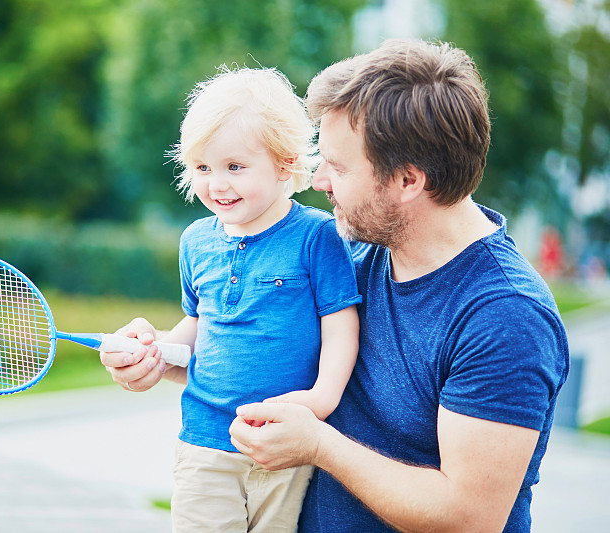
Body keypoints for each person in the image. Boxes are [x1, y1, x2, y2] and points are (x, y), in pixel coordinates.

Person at [105, 39, 570, 532]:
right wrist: (158, 358)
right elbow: (253, 359)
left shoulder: (505, 317)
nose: (318, 179)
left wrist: (321, 446)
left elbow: (468, 518)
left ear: (408, 181)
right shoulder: (352, 251)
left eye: (338, 166)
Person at [103, 66, 361, 532]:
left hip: (285, 439)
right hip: (204, 439)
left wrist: (321, 400)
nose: (216, 184)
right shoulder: (196, 241)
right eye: (202, 167)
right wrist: (155, 352)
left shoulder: (315, 238)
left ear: (284, 164)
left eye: (234, 167)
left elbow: (340, 327)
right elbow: (199, 326)